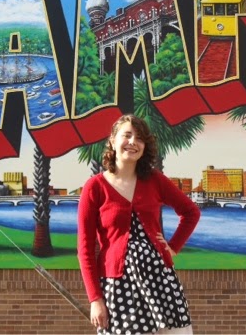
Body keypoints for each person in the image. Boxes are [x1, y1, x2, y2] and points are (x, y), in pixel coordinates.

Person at [77, 114, 201, 335]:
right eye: (127, 135)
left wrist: (173, 246)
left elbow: (191, 212)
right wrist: (95, 299)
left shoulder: (155, 180)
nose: (133, 142)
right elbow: (85, 249)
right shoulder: (94, 187)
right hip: (118, 286)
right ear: (113, 140)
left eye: (140, 138)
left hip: (159, 280)